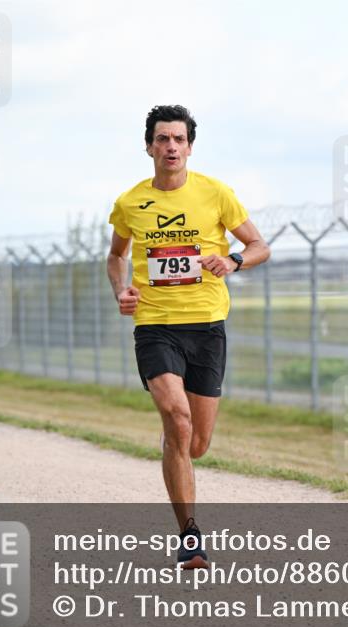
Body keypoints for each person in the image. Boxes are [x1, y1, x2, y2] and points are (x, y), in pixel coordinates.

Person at [106, 105, 270, 569]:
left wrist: (234, 261)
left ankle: (176, 449)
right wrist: (122, 290)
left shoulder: (216, 194)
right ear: (148, 146)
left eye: (179, 139)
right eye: (162, 139)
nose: (171, 147)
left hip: (207, 327)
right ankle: (190, 536)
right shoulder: (130, 202)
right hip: (155, 326)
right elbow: (115, 256)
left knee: (196, 443)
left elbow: (260, 246)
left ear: (190, 147)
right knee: (177, 419)